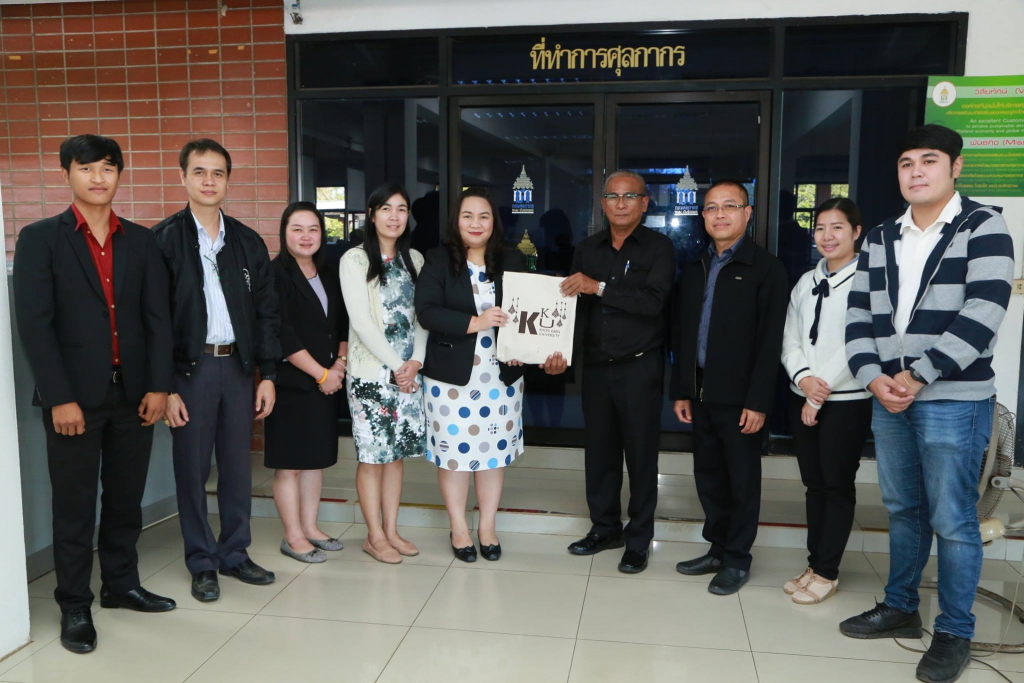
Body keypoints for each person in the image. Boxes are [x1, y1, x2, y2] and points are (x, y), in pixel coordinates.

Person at [840, 124, 1014, 683]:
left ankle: (954, 632)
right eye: (906, 162)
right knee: (902, 508)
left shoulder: (984, 226)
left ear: (955, 167)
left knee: (954, 519)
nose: (916, 171)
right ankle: (901, 606)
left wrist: (918, 375)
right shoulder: (881, 237)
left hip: (953, 399)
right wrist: (873, 378)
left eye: (929, 160)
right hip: (889, 397)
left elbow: (984, 312)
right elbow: (858, 316)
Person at [13, 135, 176, 654]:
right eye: (86, 168)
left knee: (126, 499)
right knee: (75, 506)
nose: (98, 177)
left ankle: (121, 585)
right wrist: (58, 397)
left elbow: (158, 320)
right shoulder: (40, 239)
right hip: (73, 401)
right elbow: (35, 326)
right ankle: (74, 604)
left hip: (134, 395)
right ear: (66, 174)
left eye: (108, 167)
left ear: (119, 175)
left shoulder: (142, 241)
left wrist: (159, 386)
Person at [153, 139, 282, 602]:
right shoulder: (162, 241)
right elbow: (153, 321)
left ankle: (234, 552)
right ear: (183, 177)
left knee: (237, 467)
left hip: (240, 368)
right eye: (199, 172)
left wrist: (268, 374)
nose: (209, 181)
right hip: (190, 372)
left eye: (218, 173)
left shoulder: (247, 241)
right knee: (191, 469)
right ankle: (201, 561)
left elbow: (267, 313)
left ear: (228, 180)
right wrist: (164, 386)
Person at [415, 188, 568, 562]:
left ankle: (487, 528)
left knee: (492, 455)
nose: (475, 223)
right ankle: (459, 529)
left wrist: (523, 351)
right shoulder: (438, 260)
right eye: (467, 216)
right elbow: (427, 311)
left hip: (500, 378)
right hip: (450, 381)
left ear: (493, 223)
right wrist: (476, 322)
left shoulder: (511, 259)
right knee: (454, 457)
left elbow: (529, 311)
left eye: (483, 216)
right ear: (456, 221)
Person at [672, 179, 788, 596]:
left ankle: (738, 559)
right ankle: (718, 549)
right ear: (703, 216)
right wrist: (682, 389)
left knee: (741, 481)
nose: (719, 214)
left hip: (741, 399)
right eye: (711, 207)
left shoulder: (767, 269)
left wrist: (758, 401)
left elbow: (771, 341)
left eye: (729, 206)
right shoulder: (696, 268)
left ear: (747, 212)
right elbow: (684, 333)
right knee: (709, 477)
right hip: (701, 393)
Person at [560, 170, 675, 574]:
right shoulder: (586, 249)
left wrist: (600, 288)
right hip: (596, 367)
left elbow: (653, 303)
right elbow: (572, 310)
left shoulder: (660, 248)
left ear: (645, 203)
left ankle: (638, 539)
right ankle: (604, 528)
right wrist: (559, 353)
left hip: (640, 367)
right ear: (603, 203)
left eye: (630, 197)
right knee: (600, 453)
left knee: (641, 456)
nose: (621, 204)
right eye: (613, 196)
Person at [780, 197, 871, 605]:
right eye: (820, 228)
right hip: (801, 396)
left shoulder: (869, 280)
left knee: (836, 485)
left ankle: (828, 572)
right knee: (814, 485)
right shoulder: (806, 280)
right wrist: (803, 378)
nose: (827, 236)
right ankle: (815, 564)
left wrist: (819, 392)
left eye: (837, 227)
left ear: (856, 232)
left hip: (846, 401)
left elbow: (860, 343)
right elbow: (790, 338)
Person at [340, 183, 427, 564]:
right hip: (371, 376)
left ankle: (391, 530)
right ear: (372, 214)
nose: (394, 216)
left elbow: (423, 316)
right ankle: (373, 535)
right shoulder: (355, 260)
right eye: (386, 209)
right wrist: (397, 366)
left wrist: (416, 362)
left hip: (409, 375)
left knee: (396, 455)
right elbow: (361, 322)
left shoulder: (416, 259)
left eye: (402, 209)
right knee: (373, 456)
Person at [266, 202, 348, 563]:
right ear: (284, 232)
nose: (305, 236)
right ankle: (293, 535)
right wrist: (323, 374)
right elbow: (282, 333)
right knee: (291, 463)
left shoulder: (329, 273)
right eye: (297, 229)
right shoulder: (275, 275)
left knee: (315, 460)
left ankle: (311, 527)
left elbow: (343, 324)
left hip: (327, 381)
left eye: (313, 229)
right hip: (292, 384)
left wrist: (340, 365)